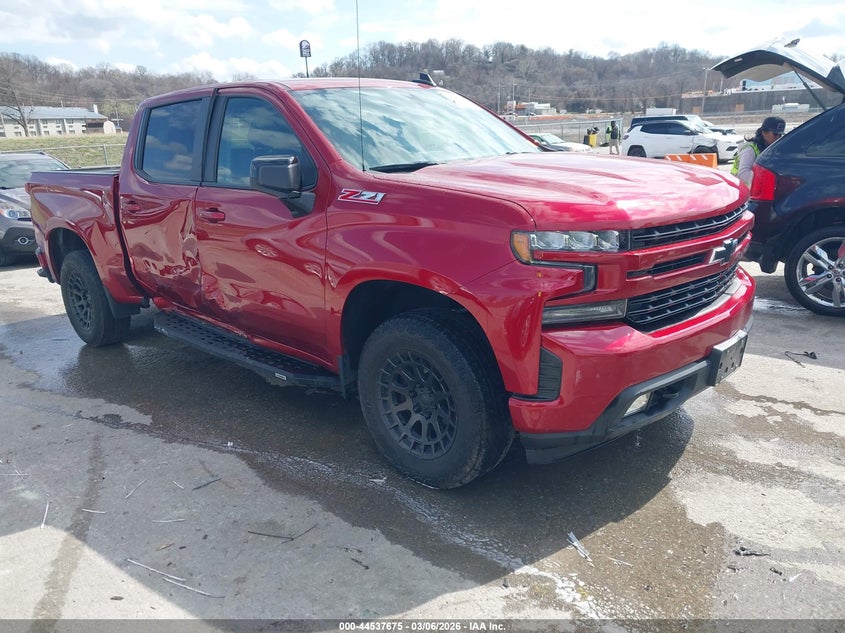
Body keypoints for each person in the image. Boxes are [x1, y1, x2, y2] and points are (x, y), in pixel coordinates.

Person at [731, 116, 786, 187]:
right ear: (764, 133)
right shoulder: (750, 149)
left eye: (780, 135)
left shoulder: (772, 149)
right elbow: (743, 174)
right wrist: (768, 180)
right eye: (775, 134)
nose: (778, 138)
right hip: (740, 190)